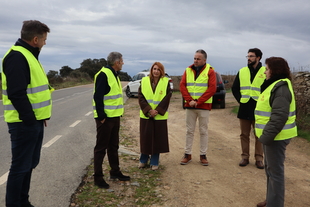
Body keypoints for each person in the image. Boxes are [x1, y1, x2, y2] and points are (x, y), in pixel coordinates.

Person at [1, 20, 52, 207]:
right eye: (44, 40)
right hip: (23, 123)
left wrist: (40, 117)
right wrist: (31, 119)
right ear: (36, 39)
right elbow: (17, 93)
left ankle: (23, 201)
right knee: (20, 168)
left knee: (29, 165)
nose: (45, 43)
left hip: (34, 122)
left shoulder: (29, 55)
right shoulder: (17, 57)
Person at [255, 57, 297, 207]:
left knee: (275, 173)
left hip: (276, 137)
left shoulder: (281, 88)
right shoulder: (275, 85)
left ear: (275, 70)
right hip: (272, 136)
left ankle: (275, 204)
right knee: (270, 171)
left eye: (267, 69)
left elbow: (279, 116)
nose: (265, 72)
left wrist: (265, 137)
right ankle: (271, 200)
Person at [92, 52, 130, 189]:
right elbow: (98, 97)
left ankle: (115, 172)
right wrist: (101, 116)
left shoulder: (114, 74)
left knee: (113, 146)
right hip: (106, 119)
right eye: (122, 61)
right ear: (117, 62)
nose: (123, 63)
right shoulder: (104, 74)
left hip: (114, 117)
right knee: (101, 148)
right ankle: (98, 177)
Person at [179, 49, 216, 166]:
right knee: (189, 131)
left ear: (204, 60)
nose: (195, 60)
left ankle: (203, 155)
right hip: (190, 106)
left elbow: (212, 88)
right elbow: (182, 86)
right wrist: (189, 100)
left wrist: (198, 101)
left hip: (203, 106)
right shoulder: (188, 70)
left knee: (203, 131)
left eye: (198, 59)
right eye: (194, 58)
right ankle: (187, 154)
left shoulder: (210, 72)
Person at [232, 48, 266, 169]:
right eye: (248, 56)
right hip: (245, 107)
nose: (249, 58)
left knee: (259, 135)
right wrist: (240, 100)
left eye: (251, 56)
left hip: (259, 108)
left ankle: (259, 159)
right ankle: (245, 157)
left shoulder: (265, 71)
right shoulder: (242, 71)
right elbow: (234, 88)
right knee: (244, 134)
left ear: (258, 58)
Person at [138, 62, 172, 171]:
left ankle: (154, 161)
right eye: (154, 69)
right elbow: (140, 97)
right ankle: (143, 159)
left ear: (162, 71)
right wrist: (148, 110)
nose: (156, 71)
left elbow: (167, 97)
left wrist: (157, 111)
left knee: (157, 139)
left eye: (158, 69)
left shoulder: (166, 82)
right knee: (145, 138)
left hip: (159, 116)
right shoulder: (144, 81)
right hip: (146, 115)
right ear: (151, 70)